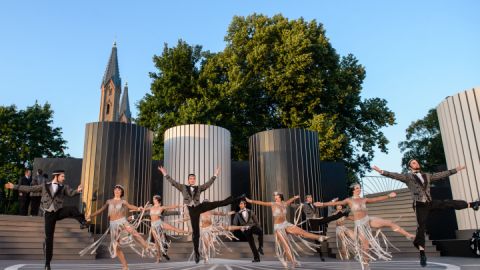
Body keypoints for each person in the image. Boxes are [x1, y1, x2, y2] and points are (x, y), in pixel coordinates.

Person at [372, 160, 479, 267]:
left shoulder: (426, 175)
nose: (416, 163)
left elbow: (440, 175)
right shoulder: (408, 177)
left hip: (430, 202)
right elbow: (394, 175)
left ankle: (471, 204)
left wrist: (456, 170)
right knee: (421, 227)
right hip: (419, 205)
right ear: (410, 167)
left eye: (417, 162)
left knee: (448, 203)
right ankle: (422, 253)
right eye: (413, 163)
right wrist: (381, 171)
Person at [315, 183, 415, 270]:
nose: (359, 189)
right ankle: (366, 265)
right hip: (360, 225)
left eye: (360, 187)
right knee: (366, 247)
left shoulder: (364, 199)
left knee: (389, 223)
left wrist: (388, 196)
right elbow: (337, 203)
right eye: (357, 188)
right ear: (353, 190)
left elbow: (376, 199)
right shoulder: (349, 200)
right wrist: (323, 204)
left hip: (368, 219)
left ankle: (408, 235)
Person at [5, 169, 88, 270]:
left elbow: (71, 193)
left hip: (58, 211)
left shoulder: (64, 187)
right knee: (49, 239)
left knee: (72, 209)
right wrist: (14, 186)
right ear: (56, 176)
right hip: (48, 214)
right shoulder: (44, 185)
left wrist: (77, 191)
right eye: (62, 176)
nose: (64, 178)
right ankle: (47, 263)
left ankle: (83, 222)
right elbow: (30, 189)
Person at [158, 166, 243, 263]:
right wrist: (165, 173)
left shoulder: (199, 188)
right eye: (190, 178)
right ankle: (197, 254)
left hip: (199, 207)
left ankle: (236, 199)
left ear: (195, 180)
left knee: (216, 203)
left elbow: (208, 184)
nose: (192, 180)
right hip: (192, 210)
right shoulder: (182, 187)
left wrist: (215, 175)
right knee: (196, 233)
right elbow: (173, 182)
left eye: (193, 179)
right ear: (188, 180)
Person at [80, 185, 154, 270]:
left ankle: (148, 247)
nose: (117, 191)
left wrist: (139, 208)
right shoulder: (109, 201)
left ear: (121, 192)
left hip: (122, 222)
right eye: (116, 189)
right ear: (114, 191)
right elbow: (100, 210)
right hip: (113, 225)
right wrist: (90, 215)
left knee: (135, 233)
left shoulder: (123, 201)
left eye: (119, 190)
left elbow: (130, 206)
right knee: (116, 246)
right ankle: (125, 266)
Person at [246, 192, 326, 268]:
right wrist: (250, 201)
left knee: (302, 232)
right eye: (275, 197)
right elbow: (261, 202)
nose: (275, 198)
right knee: (286, 246)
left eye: (277, 197)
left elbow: (289, 201)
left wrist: (294, 198)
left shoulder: (284, 203)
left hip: (286, 224)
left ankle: (319, 237)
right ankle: (293, 262)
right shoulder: (272, 204)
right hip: (278, 227)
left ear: (280, 197)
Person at [298, 195, 350, 261]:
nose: (310, 198)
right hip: (312, 221)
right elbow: (296, 206)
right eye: (308, 197)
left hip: (318, 219)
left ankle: (342, 214)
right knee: (317, 238)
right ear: (306, 199)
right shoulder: (304, 205)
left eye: (311, 197)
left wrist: (333, 201)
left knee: (329, 218)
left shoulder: (315, 204)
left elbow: (324, 205)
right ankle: (321, 254)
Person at [144, 195, 190, 263]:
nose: (153, 200)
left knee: (173, 228)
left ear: (157, 200)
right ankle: (158, 258)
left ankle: (188, 232)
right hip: (153, 226)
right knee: (157, 243)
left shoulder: (161, 207)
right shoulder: (151, 207)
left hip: (159, 223)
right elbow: (143, 210)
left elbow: (171, 207)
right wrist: (139, 208)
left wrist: (180, 205)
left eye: (154, 199)